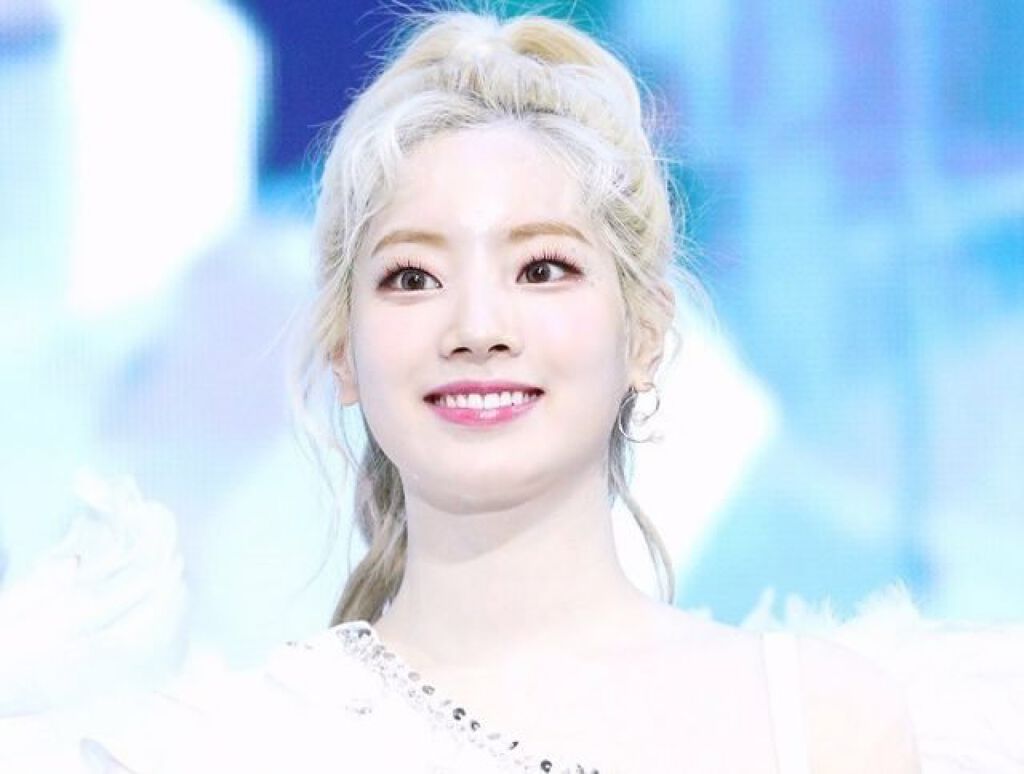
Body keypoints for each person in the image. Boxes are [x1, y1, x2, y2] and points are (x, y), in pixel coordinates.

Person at [285, 7, 920, 774]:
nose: (478, 328)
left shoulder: (822, 722)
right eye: (413, 277)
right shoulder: (239, 738)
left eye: (542, 269)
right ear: (343, 351)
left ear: (644, 335)